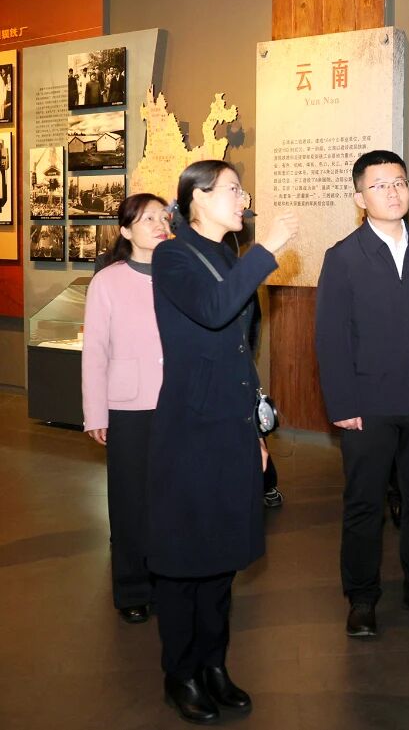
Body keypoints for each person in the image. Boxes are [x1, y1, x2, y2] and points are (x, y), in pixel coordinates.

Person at [149, 161, 297, 723]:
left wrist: (255, 429)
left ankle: (214, 665)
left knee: (222, 556)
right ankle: (180, 673)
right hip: (189, 430)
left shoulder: (228, 256)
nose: (244, 199)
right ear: (198, 198)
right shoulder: (173, 256)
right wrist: (269, 249)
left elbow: (240, 350)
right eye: (234, 189)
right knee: (185, 556)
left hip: (230, 426)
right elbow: (213, 312)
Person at [315, 150, 409, 639]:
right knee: (365, 505)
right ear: (360, 198)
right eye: (379, 185)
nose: (392, 192)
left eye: (399, 182)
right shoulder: (343, 256)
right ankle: (361, 598)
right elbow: (331, 338)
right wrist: (342, 404)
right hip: (369, 404)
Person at [82, 192, 169, 625]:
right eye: (147, 218)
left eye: (163, 217)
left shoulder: (179, 274)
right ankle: (133, 588)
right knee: (130, 500)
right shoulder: (107, 281)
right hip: (129, 405)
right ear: (126, 230)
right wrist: (95, 413)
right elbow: (94, 351)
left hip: (178, 403)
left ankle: (171, 579)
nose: (159, 224)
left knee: (173, 497)